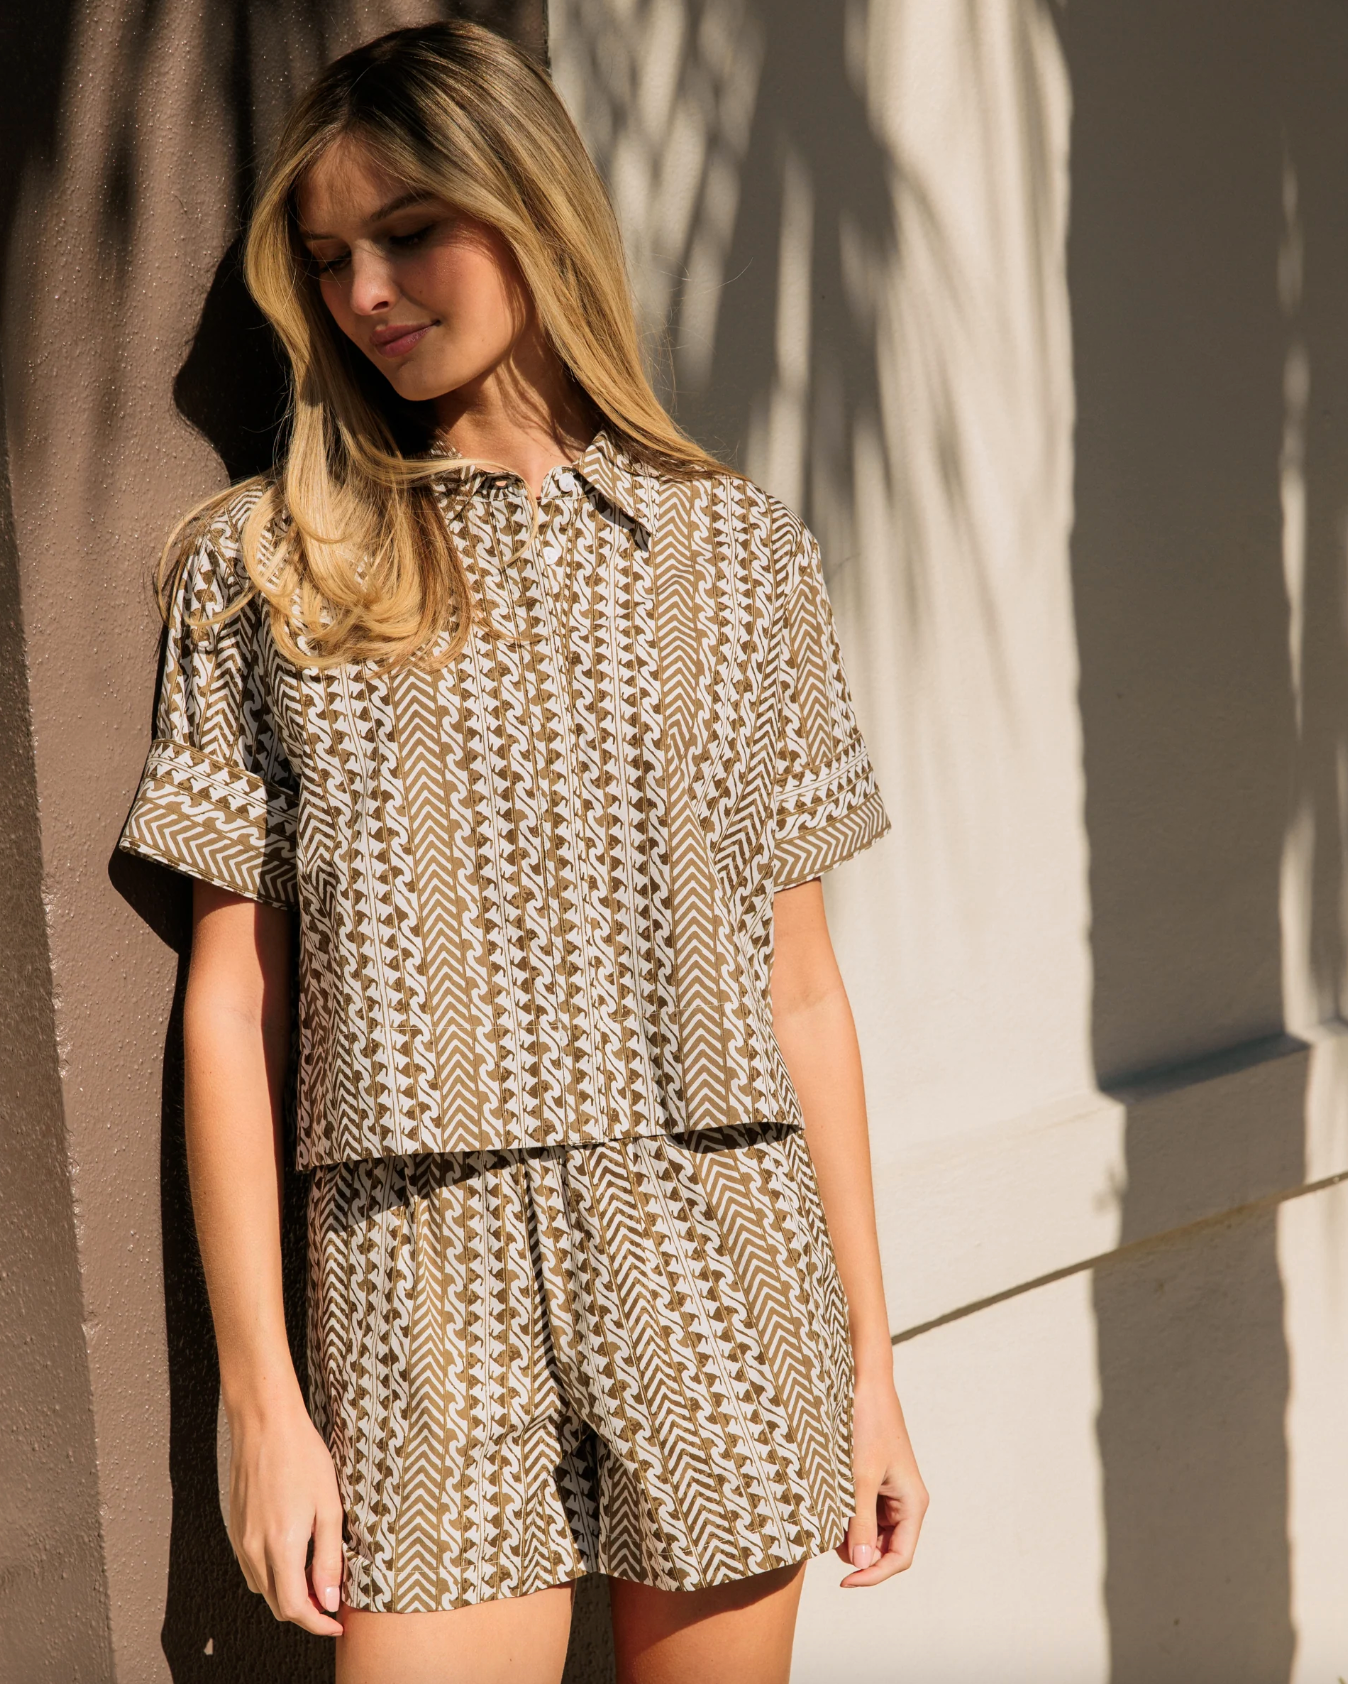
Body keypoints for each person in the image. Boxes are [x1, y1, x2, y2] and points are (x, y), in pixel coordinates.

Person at [119, 21, 927, 1683]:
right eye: (327, 258)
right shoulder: (267, 569)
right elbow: (234, 1002)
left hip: (714, 1246)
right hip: (417, 1272)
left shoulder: (737, 556)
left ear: (533, 209)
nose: (364, 292)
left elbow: (801, 991)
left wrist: (869, 1370)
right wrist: (262, 1400)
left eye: (409, 232)